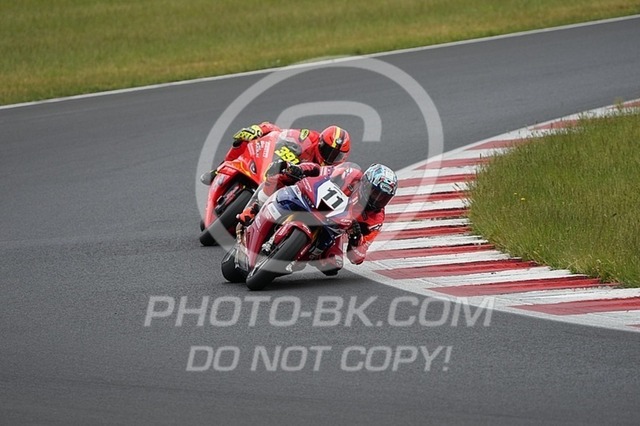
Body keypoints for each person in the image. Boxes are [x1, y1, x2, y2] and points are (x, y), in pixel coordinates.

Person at [238, 161, 398, 276]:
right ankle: (253, 209)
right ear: (365, 183)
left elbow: (358, 257)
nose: (377, 200)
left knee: (333, 263)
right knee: (281, 175)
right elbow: (319, 170)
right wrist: (299, 169)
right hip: (313, 200)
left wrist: (356, 237)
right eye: (375, 193)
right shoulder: (351, 173)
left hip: (335, 226)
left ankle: (294, 255)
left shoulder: (376, 219)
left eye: (384, 198)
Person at [200, 122, 351, 185]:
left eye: (336, 156)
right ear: (320, 143)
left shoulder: (335, 172)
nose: (330, 158)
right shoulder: (309, 137)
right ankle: (218, 170)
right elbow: (280, 132)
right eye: (328, 151)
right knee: (243, 139)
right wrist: (260, 129)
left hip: (291, 184)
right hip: (277, 164)